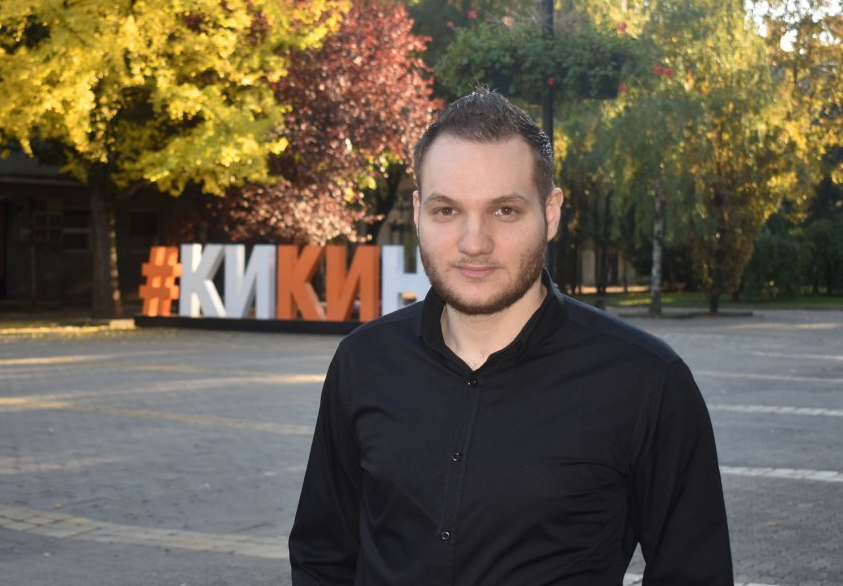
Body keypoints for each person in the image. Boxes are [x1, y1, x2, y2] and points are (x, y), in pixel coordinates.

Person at [289, 89, 733, 585]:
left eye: (504, 210)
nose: (473, 243)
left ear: (551, 212)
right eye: (446, 211)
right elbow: (322, 555)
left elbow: (694, 572)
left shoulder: (645, 381)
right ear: (417, 213)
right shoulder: (364, 361)